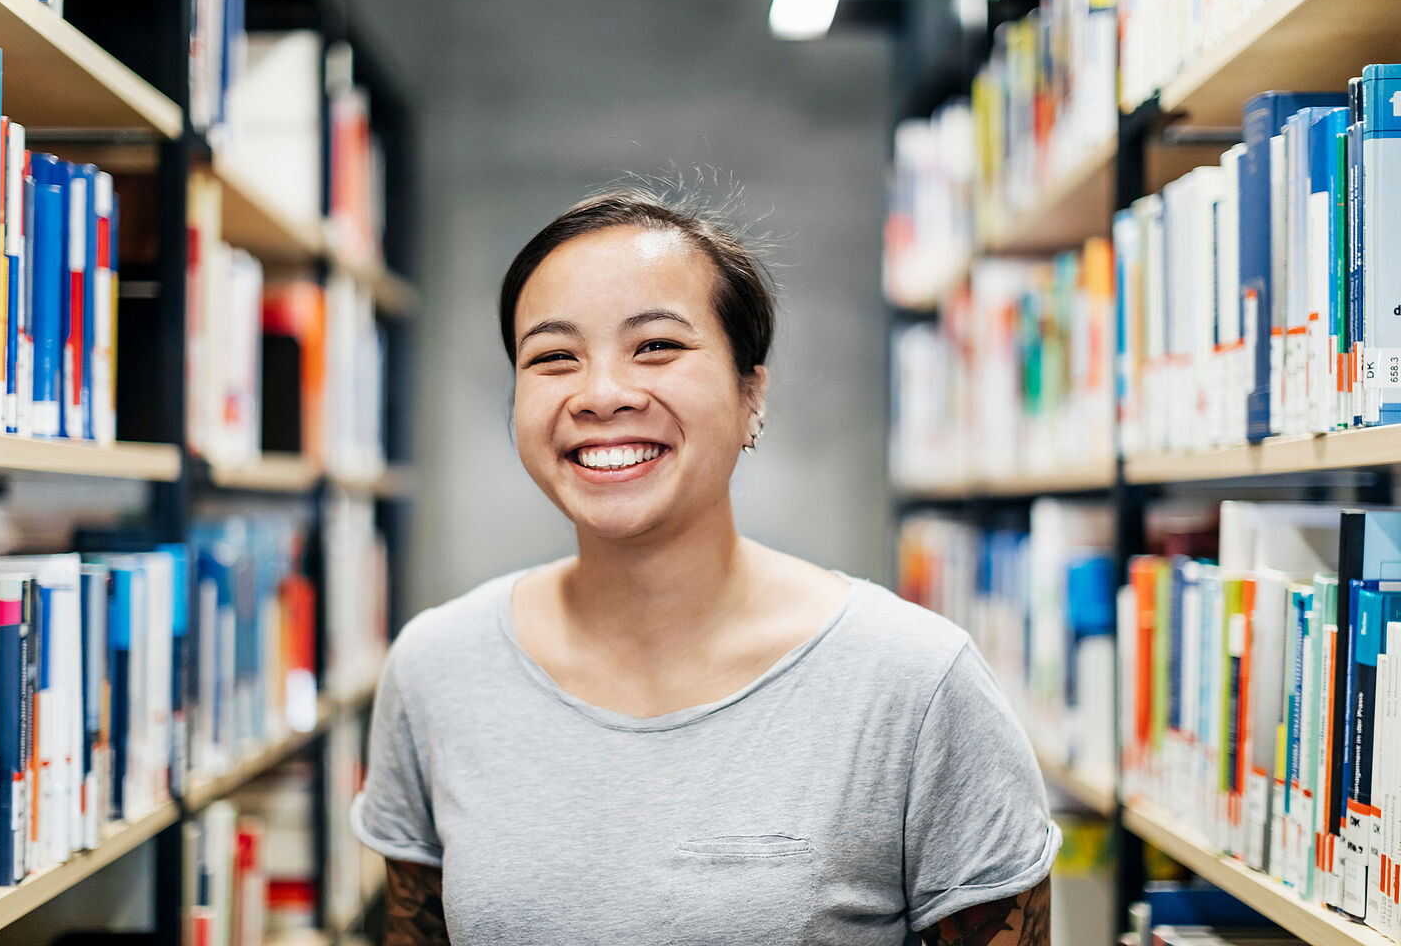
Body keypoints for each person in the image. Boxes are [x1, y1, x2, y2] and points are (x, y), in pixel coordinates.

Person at [351, 188, 1059, 945]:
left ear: (751, 389)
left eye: (655, 345)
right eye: (553, 358)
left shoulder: (915, 682)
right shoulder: (436, 668)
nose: (600, 395)